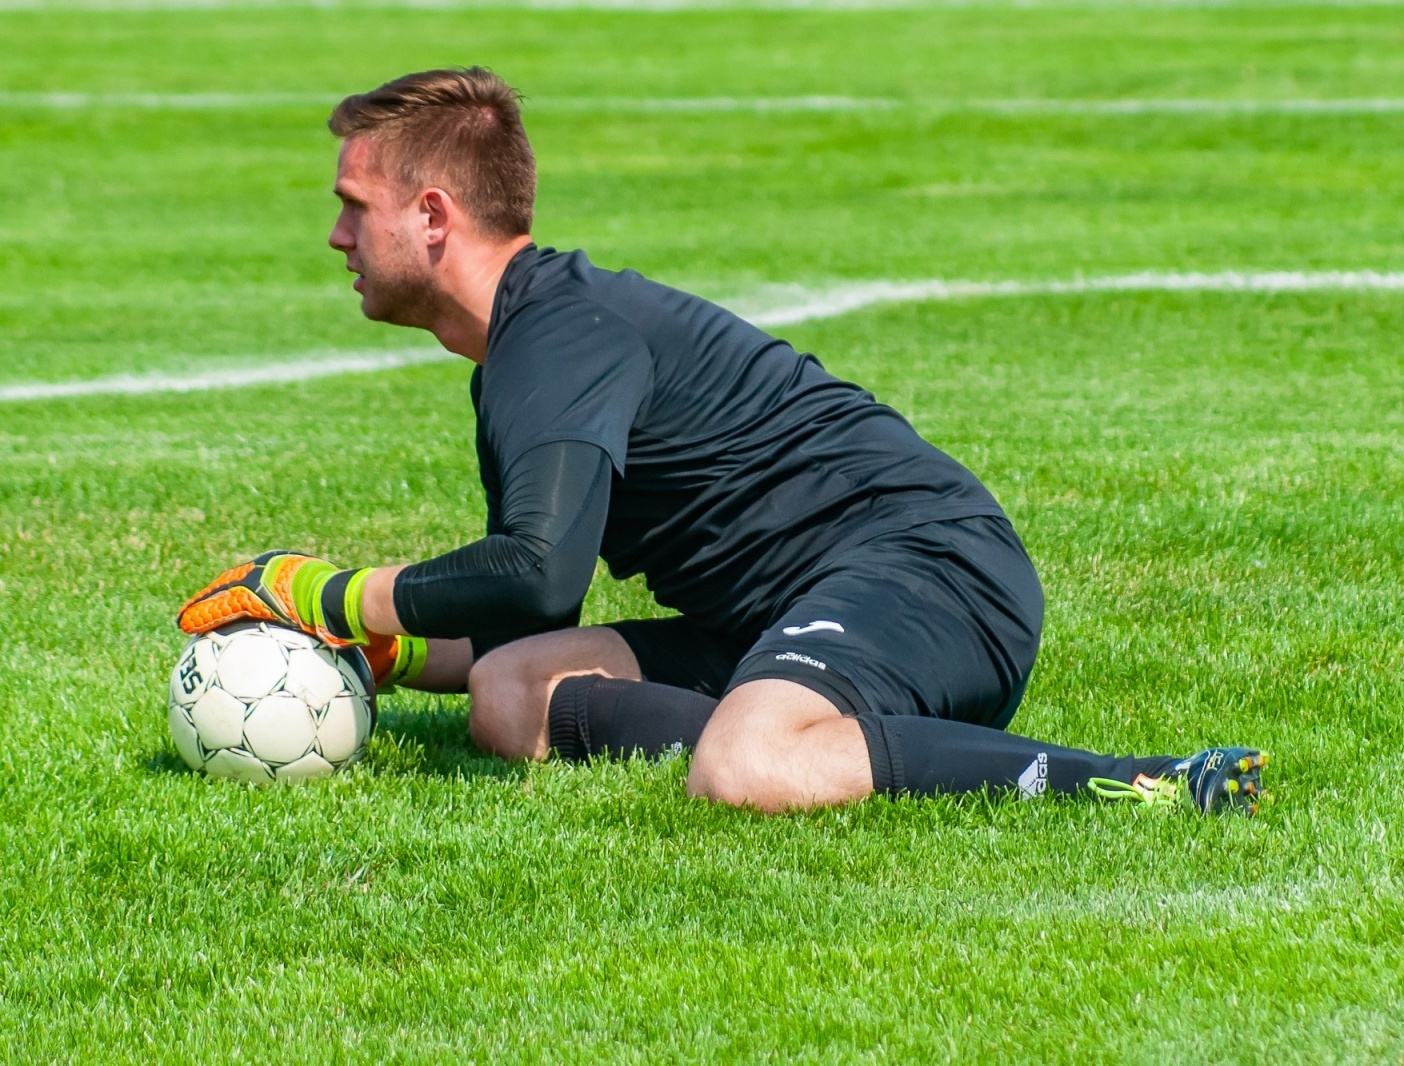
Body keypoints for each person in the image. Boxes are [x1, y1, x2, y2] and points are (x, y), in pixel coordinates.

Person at [177, 67, 1268, 814]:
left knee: (744, 769)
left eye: (352, 205)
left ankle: (1139, 783)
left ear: (430, 214)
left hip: (927, 570)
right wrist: (389, 648)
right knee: (511, 694)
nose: (336, 236)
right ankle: (791, 717)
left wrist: (329, 593)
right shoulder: (523, 343)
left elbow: (535, 565)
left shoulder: (559, 337)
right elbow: (530, 611)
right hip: (775, 615)